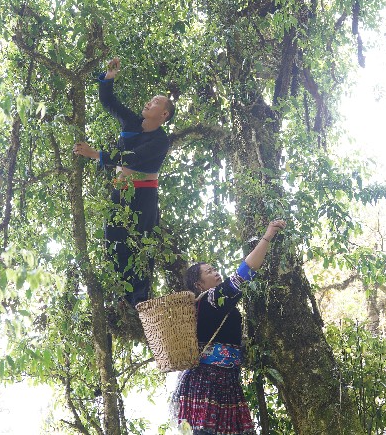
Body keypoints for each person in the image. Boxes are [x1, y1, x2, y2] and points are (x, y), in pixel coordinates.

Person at [73, 57, 175, 306]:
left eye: (156, 102)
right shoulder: (132, 122)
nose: (149, 102)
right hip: (121, 191)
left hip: (144, 196)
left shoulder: (161, 140)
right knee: (114, 238)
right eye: (150, 99)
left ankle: (139, 301)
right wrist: (109, 77)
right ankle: (117, 294)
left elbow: (133, 158)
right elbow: (109, 102)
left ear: (163, 114)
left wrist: (96, 154)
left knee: (141, 242)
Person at [173, 219, 287, 435]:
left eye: (215, 269)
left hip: (223, 380)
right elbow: (246, 272)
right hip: (209, 382)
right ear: (199, 285)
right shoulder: (212, 298)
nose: (216, 273)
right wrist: (267, 236)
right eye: (209, 272)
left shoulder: (206, 305)